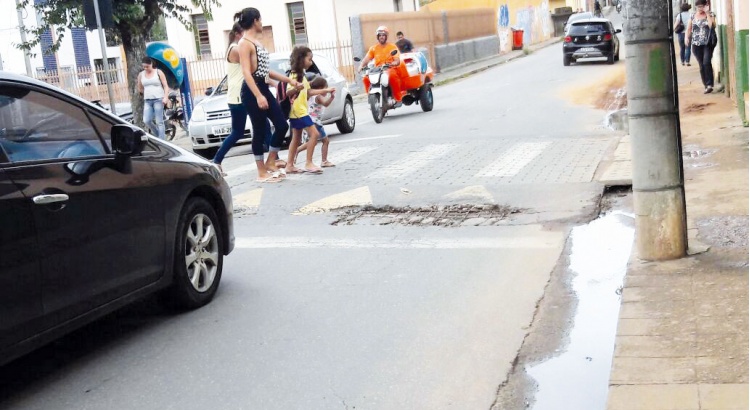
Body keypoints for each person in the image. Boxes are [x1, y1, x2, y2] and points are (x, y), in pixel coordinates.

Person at [235, 7, 302, 183]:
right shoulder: (244, 43)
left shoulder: (257, 43)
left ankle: (271, 161)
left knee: (281, 124)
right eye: (261, 20)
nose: (262, 23)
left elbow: (266, 71)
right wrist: (258, 95)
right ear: (255, 20)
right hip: (251, 90)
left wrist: (290, 81)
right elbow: (246, 72)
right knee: (259, 130)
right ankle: (261, 172)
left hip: (262, 87)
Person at [284, 46, 335, 174]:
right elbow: (288, 92)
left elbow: (309, 92)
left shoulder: (302, 76)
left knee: (296, 138)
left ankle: (289, 165)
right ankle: (309, 162)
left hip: (299, 110)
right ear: (301, 59)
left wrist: (325, 90)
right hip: (298, 111)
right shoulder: (295, 75)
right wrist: (296, 88)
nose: (311, 62)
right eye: (309, 59)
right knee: (315, 134)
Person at [211, 23, 245, 175]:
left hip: (239, 94)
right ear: (238, 33)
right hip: (238, 96)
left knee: (262, 124)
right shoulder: (236, 49)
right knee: (237, 132)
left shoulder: (233, 47)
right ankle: (217, 161)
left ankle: (274, 157)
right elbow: (250, 65)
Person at [295, 75, 336, 168]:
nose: (326, 90)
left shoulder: (311, 95)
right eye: (326, 88)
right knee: (325, 141)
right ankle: (324, 161)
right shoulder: (318, 96)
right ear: (321, 88)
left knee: (313, 141)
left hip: (310, 120)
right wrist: (332, 97)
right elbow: (326, 104)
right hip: (314, 122)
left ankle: (297, 150)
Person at [357, 26, 403, 103]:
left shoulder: (392, 47)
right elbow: (366, 59)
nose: (381, 37)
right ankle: (371, 98)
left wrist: (393, 63)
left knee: (392, 76)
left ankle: (397, 98)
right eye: (380, 35)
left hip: (389, 68)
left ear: (386, 36)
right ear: (377, 37)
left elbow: (397, 60)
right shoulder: (373, 48)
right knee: (365, 78)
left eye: (383, 35)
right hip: (377, 69)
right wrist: (361, 66)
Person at [686, 0, 716, 93]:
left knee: (706, 62)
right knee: (701, 65)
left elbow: (712, 26)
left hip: (707, 43)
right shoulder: (692, 15)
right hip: (696, 44)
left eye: (702, 6)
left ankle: (710, 84)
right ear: (696, 7)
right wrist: (686, 38)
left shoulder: (710, 14)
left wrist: (707, 13)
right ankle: (706, 85)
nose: (700, 9)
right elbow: (689, 28)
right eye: (698, 7)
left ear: (705, 6)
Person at [137, 56, 170, 140]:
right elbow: (140, 87)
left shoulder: (158, 72)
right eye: (144, 67)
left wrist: (165, 97)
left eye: (147, 66)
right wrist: (143, 93)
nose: (145, 68)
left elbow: (166, 86)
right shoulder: (141, 74)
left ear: (151, 64)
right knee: (146, 120)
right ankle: (158, 135)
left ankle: (162, 140)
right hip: (148, 100)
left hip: (158, 99)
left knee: (159, 121)